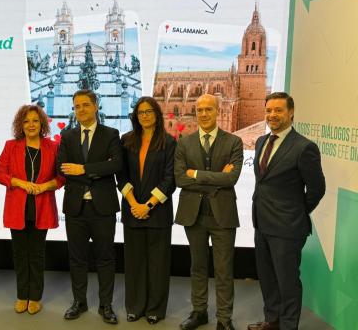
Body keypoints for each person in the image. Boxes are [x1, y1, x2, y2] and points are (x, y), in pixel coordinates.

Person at [247, 92, 325, 330]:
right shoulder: (261, 142)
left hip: (288, 228)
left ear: (291, 112)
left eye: (278, 110)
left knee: (288, 282)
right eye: (269, 110)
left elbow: (317, 189)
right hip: (261, 223)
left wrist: (296, 212)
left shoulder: (304, 147)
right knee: (268, 278)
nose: (272, 115)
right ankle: (272, 321)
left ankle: (289, 326)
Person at [174, 94, 243, 330]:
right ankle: (199, 312)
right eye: (200, 110)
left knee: (224, 270)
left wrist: (196, 174)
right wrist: (216, 178)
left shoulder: (234, 142)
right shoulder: (184, 142)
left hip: (222, 215)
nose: (203, 114)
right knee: (198, 266)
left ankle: (224, 319)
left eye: (208, 110)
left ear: (217, 111)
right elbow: (180, 178)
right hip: (193, 214)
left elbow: (231, 178)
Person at [57, 89, 122, 324]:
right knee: (77, 258)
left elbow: (116, 165)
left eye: (85, 105)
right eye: (77, 106)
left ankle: (106, 305)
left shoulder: (111, 134)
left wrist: (83, 169)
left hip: (103, 208)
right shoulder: (68, 136)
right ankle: (79, 302)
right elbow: (61, 168)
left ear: (96, 106)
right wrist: (97, 170)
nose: (81, 109)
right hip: (75, 208)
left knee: (105, 258)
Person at [0, 105, 64, 315]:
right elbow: (0, 173)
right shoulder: (11, 146)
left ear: (42, 124)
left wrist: (45, 186)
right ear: (20, 125)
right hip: (17, 207)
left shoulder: (53, 147)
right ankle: (21, 295)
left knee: (36, 254)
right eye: (26, 121)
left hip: (41, 207)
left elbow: (61, 178)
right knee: (20, 254)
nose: (31, 125)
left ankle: (35, 297)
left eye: (35, 121)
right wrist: (17, 182)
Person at [116, 96, 176, 324]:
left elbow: (170, 179)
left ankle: (155, 309)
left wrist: (148, 205)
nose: (144, 116)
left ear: (157, 114)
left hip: (158, 212)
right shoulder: (126, 140)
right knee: (134, 262)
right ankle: (135, 306)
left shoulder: (169, 142)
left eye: (149, 111)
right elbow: (120, 175)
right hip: (132, 211)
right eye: (140, 112)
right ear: (135, 116)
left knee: (158, 264)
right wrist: (134, 204)